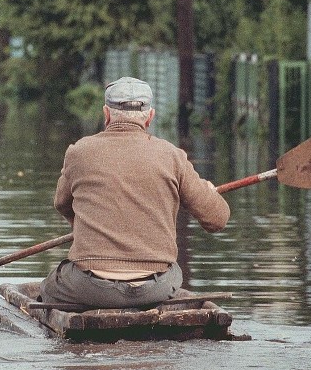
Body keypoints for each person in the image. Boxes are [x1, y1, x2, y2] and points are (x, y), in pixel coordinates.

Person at [40, 76, 230, 308]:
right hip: (155, 287)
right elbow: (217, 219)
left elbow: (61, 203)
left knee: (48, 286)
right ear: (150, 117)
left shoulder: (78, 152)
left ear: (106, 114)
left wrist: (81, 224)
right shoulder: (173, 156)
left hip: (91, 289)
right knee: (174, 272)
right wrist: (209, 193)